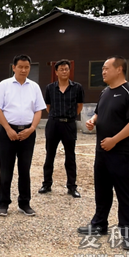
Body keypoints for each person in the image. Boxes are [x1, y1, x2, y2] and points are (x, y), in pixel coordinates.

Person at [77, 55, 129, 251]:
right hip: (102, 151)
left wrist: (114, 140)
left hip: (122, 152)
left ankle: (128, 233)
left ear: (119, 69)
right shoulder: (105, 91)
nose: (103, 71)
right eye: (103, 69)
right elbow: (99, 113)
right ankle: (99, 224)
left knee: (124, 193)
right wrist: (93, 121)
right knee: (102, 190)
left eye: (106, 68)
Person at [0, 54, 45, 217]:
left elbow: (38, 110)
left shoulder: (34, 87)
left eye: (27, 67)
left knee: (25, 169)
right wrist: (8, 129)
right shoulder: (4, 85)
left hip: (28, 132)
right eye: (20, 66)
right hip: (8, 131)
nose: (23, 70)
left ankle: (24, 203)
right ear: (13, 67)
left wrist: (32, 128)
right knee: (6, 169)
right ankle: (3, 203)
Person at [39, 59, 84, 198]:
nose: (64, 71)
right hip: (54, 124)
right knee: (49, 155)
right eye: (61, 69)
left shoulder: (77, 88)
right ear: (56, 72)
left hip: (69, 124)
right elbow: (48, 106)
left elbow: (79, 106)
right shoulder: (50, 88)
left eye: (66, 69)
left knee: (70, 156)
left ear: (69, 71)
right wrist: (56, 116)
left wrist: (69, 117)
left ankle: (71, 186)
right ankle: (46, 184)